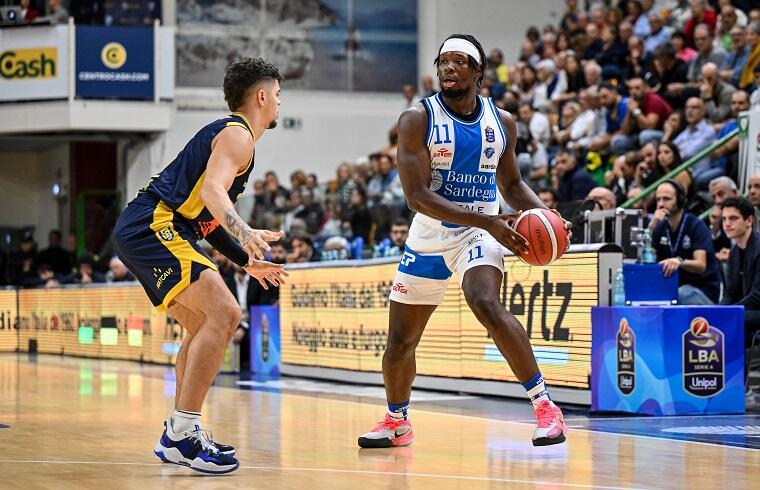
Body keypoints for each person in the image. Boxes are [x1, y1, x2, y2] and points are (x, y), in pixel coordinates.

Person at [357, 34, 571, 450]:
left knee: (486, 302)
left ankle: (547, 409)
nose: (448, 69)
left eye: (459, 62)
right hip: (432, 232)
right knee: (400, 340)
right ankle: (397, 420)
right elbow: (416, 196)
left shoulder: (502, 121)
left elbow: (511, 183)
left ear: (478, 72)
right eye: (443, 62)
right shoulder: (416, 119)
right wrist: (489, 221)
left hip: (479, 230)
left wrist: (546, 214)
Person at [112, 58, 288, 474]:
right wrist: (245, 232)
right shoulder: (237, 136)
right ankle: (184, 434)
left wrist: (247, 260)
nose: (279, 103)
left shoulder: (232, 138)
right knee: (227, 313)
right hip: (154, 222)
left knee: (203, 324)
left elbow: (207, 218)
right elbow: (212, 192)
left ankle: (178, 433)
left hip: (157, 225)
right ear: (261, 96)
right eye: (278, 95)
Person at [648, 180, 720, 304]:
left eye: (666, 199)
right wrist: (651, 227)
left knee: (683, 293)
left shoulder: (696, 225)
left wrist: (679, 261)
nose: (660, 204)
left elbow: (701, 265)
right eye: (658, 199)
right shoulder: (659, 227)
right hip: (671, 288)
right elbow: (647, 260)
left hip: (700, 290)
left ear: (680, 200)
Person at [720, 197, 760, 338]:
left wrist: (730, 311)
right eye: (724, 219)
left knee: (731, 319)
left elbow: (757, 296)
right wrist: (717, 310)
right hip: (747, 308)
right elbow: (731, 292)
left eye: (733, 218)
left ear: (749, 221)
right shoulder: (735, 252)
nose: (727, 224)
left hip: (756, 309)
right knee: (714, 317)